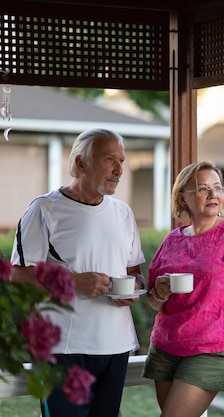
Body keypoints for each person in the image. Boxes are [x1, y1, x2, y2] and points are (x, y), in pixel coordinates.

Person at [11, 128, 146, 417]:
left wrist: (133, 288)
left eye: (121, 160)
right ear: (81, 163)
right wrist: (74, 282)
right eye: (110, 159)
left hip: (116, 345)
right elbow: (18, 275)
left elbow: (134, 270)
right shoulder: (45, 209)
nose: (119, 169)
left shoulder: (123, 212)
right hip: (62, 348)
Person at [142, 160, 224, 417]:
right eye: (203, 189)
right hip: (165, 346)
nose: (214, 195)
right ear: (183, 198)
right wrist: (159, 291)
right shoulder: (172, 240)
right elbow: (152, 301)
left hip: (211, 349)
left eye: (218, 187)